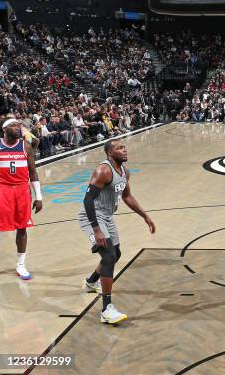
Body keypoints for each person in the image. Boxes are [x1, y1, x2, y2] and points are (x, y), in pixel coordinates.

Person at [79, 139, 156, 324]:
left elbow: (127, 196)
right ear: (110, 153)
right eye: (119, 148)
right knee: (108, 256)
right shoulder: (103, 171)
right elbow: (87, 200)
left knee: (116, 253)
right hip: (92, 217)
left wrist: (144, 215)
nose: (124, 150)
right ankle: (106, 309)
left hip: (107, 216)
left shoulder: (124, 172)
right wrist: (96, 230)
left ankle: (91, 282)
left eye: (124, 147)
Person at [0, 119, 43, 280]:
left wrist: (39, 197)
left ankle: (21, 265)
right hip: (2, 189)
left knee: (22, 228)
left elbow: (33, 172)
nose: (18, 128)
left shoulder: (25, 146)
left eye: (20, 125)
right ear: (4, 129)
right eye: (14, 125)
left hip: (22, 190)